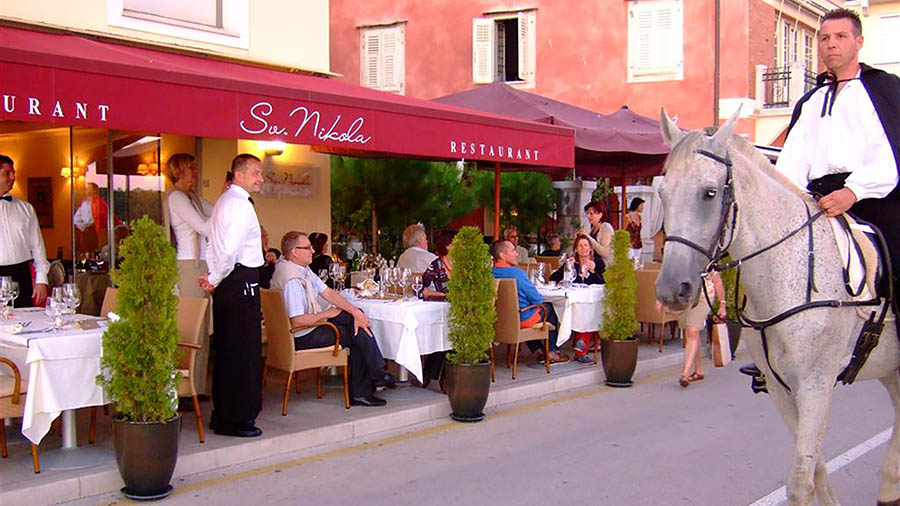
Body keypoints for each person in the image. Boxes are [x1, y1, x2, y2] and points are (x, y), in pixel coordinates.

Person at [744, 8, 900, 392]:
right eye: (825, 38)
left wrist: (853, 192)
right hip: (816, 200)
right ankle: (769, 356)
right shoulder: (811, 102)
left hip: (872, 196)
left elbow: (890, 155)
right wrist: (790, 202)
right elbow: (792, 165)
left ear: (858, 42)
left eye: (840, 37)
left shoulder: (883, 90)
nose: (831, 45)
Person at [271, 231, 396, 406]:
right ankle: (371, 380)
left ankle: (376, 375)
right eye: (307, 247)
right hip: (301, 336)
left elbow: (328, 293)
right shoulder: (292, 279)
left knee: (354, 320)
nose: (312, 251)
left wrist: (355, 313)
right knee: (354, 332)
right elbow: (297, 321)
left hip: (308, 328)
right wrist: (326, 314)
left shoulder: (301, 269)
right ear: (294, 252)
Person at [199, 154, 265, 438]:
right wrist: (215, 276)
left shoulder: (224, 201)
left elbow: (212, 242)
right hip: (239, 281)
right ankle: (237, 419)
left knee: (227, 349)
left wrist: (214, 275)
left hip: (228, 281)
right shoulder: (239, 206)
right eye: (256, 173)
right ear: (239, 174)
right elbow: (229, 250)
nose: (260, 179)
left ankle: (222, 413)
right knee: (244, 352)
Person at [164, 153, 214, 395]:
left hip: (202, 264)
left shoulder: (192, 197)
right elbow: (204, 225)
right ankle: (183, 389)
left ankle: (197, 386)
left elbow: (215, 212)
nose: (195, 172)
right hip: (188, 264)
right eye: (191, 168)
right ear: (181, 171)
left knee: (203, 327)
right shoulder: (176, 198)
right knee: (189, 325)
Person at [492, 240, 567, 364]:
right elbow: (537, 299)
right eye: (513, 251)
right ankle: (551, 352)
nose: (516, 254)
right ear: (502, 255)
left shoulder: (490, 274)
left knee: (530, 311)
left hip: (500, 320)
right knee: (551, 308)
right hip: (522, 319)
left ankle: (538, 350)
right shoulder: (517, 274)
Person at [659, 271, 725, 388]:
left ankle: (685, 373)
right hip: (685, 297)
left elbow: (717, 280)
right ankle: (699, 370)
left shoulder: (705, 257)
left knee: (692, 331)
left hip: (704, 296)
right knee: (690, 334)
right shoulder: (683, 257)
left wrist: (722, 305)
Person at [0, 154, 49, 307]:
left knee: (26, 325)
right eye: (7, 173)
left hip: (21, 275)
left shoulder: (26, 208)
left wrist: (41, 280)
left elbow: (37, 246)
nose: (13, 177)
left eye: (13, 173)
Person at [549, 234, 603, 363]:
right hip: (573, 301)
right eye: (580, 246)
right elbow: (553, 278)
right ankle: (570, 347)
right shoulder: (573, 263)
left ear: (590, 248)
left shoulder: (598, 263)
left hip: (591, 301)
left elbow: (604, 283)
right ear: (576, 250)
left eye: (586, 245)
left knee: (588, 311)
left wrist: (594, 271)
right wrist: (567, 269)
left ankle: (580, 349)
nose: (583, 248)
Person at [420, 229, 456, 389]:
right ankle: (435, 374)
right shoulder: (436, 265)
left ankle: (439, 375)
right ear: (448, 246)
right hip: (443, 307)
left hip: (462, 308)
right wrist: (442, 295)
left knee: (452, 332)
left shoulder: (465, 265)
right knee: (444, 332)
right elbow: (422, 289)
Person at [578, 201, 614, 267]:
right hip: (592, 265)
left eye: (591, 214)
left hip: (603, 267)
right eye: (587, 213)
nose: (588, 216)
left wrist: (588, 237)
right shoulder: (593, 228)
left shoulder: (606, 228)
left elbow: (605, 253)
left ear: (600, 215)